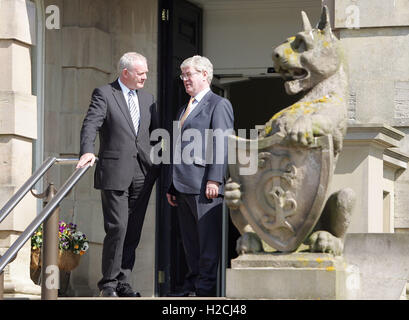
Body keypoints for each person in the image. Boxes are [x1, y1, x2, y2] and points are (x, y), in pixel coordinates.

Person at [77, 52, 160, 297]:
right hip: (114, 172)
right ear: (126, 72)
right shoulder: (104, 94)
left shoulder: (148, 99)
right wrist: (86, 151)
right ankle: (108, 285)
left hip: (143, 173)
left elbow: (157, 135)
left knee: (133, 230)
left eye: (146, 72)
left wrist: (158, 163)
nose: (145, 76)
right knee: (118, 227)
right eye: (141, 72)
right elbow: (90, 124)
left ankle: (124, 282)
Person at [166, 55, 234, 297]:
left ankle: (205, 290)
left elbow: (222, 143)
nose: (184, 79)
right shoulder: (184, 107)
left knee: (207, 243)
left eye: (189, 74)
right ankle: (192, 287)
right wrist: (171, 185)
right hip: (183, 185)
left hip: (206, 185)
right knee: (190, 242)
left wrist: (215, 179)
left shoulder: (218, 104)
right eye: (182, 75)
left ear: (204, 75)